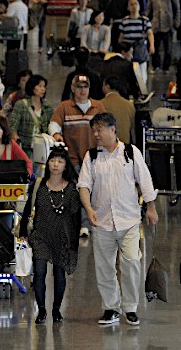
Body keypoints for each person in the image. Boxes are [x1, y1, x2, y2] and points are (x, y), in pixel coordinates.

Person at [77, 112, 158, 326]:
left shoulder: (130, 153)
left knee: (131, 262)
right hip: (101, 221)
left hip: (129, 220)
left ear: (113, 130)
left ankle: (130, 307)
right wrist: (88, 209)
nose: (96, 134)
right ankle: (111, 307)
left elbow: (145, 180)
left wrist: (151, 207)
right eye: (94, 130)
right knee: (104, 267)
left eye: (99, 129)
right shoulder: (92, 156)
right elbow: (84, 185)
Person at [19, 145, 81, 324]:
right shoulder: (38, 185)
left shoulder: (71, 189)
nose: (55, 164)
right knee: (39, 272)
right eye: (52, 160)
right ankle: (41, 310)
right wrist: (24, 231)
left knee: (59, 274)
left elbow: (75, 217)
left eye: (60, 161)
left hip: (62, 236)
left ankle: (56, 310)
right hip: (40, 234)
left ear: (65, 165)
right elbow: (28, 208)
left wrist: (74, 243)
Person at [49, 74, 106, 238]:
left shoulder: (98, 107)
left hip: (95, 158)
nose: (82, 90)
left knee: (93, 192)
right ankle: (81, 224)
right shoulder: (64, 107)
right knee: (78, 191)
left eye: (85, 87)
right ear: (73, 88)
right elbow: (54, 124)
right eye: (79, 87)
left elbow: (107, 126)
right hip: (73, 158)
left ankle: (90, 223)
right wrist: (55, 134)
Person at [10, 74, 54, 158]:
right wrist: (15, 137)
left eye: (44, 86)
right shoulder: (21, 104)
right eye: (39, 86)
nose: (42, 89)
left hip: (42, 147)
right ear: (32, 86)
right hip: (25, 147)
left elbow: (51, 126)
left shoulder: (47, 107)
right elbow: (13, 125)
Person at [147, 0, 180, 74]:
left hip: (168, 26)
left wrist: (177, 22)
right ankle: (156, 66)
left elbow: (177, 9)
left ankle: (166, 67)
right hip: (156, 26)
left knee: (168, 49)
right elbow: (149, 11)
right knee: (155, 48)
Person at [119, 0, 155, 85]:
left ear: (139, 6)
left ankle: (142, 92)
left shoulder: (145, 20)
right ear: (128, 7)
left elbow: (150, 33)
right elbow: (121, 37)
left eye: (136, 4)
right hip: (128, 51)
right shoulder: (124, 21)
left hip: (140, 49)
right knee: (128, 73)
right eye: (131, 4)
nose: (134, 6)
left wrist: (152, 45)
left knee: (142, 74)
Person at [101, 76, 135, 144]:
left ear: (107, 86)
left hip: (107, 147)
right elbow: (131, 127)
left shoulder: (100, 104)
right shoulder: (129, 105)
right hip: (124, 146)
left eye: (103, 85)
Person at [80, 10, 111, 75]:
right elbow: (83, 42)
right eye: (98, 16)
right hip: (88, 53)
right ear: (94, 17)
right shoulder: (86, 28)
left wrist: (103, 50)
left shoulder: (106, 29)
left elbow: (107, 42)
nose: (100, 18)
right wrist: (88, 50)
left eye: (102, 16)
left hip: (100, 53)